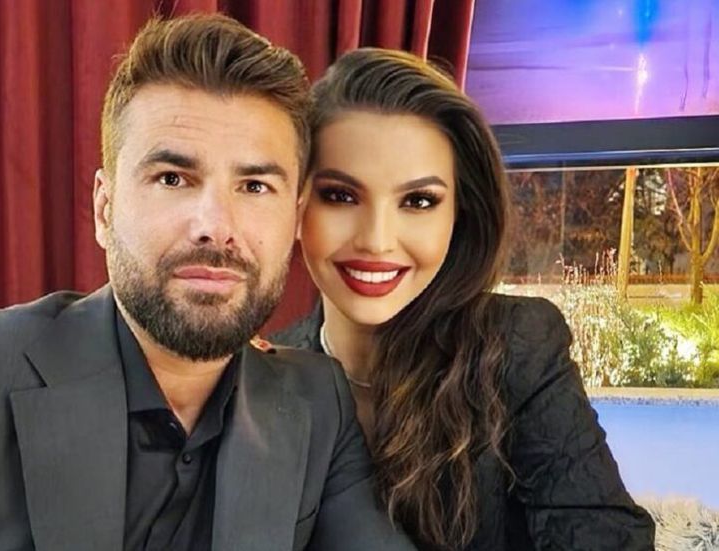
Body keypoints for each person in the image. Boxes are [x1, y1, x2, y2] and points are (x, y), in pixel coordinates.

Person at [0, 16, 415, 551]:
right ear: (104, 209)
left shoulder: (318, 403)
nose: (215, 226)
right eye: (173, 179)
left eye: (254, 186)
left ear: (294, 219)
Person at [272, 48, 656, 550]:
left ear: (459, 216)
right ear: (295, 204)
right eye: (341, 196)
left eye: (419, 201)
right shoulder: (266, 375)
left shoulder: (517, 348)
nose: (377, 240)